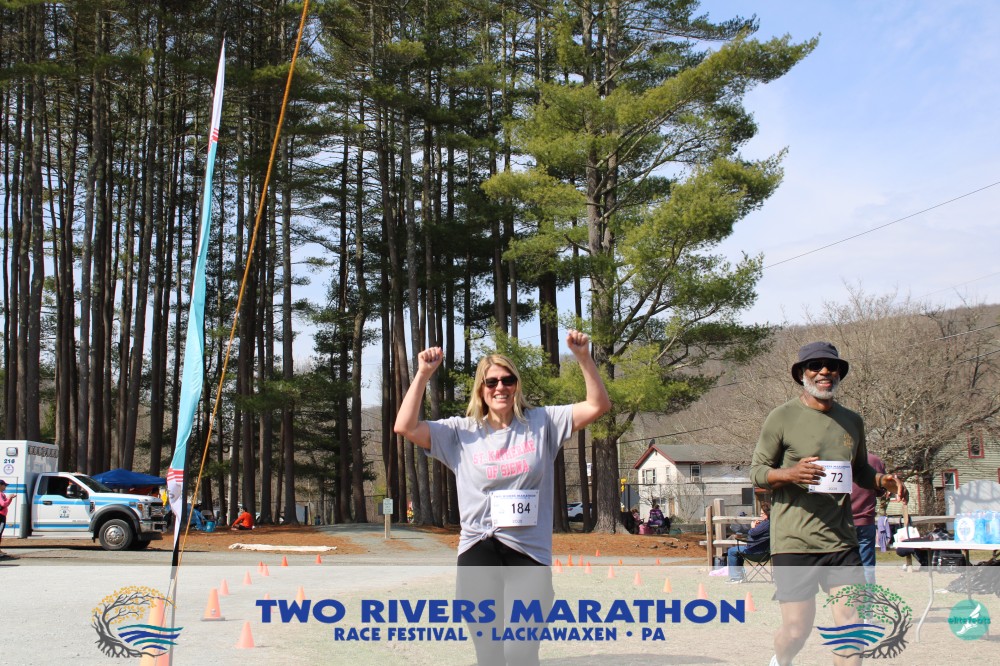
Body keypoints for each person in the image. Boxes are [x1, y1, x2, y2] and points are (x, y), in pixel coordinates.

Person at [393, 329, 610, 666]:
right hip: (479, 548)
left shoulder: (543, 422)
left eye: (508, 380)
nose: (500, 388)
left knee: (522, 651)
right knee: (490, 654)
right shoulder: (461, 432)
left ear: (516, 385)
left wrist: (583, 357)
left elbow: (598, 405)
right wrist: (422, 374)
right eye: (491, 382)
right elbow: (405, 426)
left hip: (529, 553)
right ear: (481, 388)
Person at [750, 341, 907, 666]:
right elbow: (757, 472)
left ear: (838, 374)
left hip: (842, 541)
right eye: (815, 366)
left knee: (852, 630)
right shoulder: (782, 417)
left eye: (831, 366)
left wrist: (882, 481)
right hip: (795, 542)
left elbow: (860, 470)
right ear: (802, 374)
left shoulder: (852, 421)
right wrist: (790, 473)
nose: (824, 371)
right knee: (796, 630)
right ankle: (780, 661)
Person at [851, 452, 887, 584]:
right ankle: (867, 596)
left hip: (840, 521)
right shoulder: (874, 460)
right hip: (865, 519)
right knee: (867, 566)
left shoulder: (834, 458)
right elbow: (881, 490)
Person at [726, 502, 771, 582]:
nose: (761, 515)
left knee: (731, 551)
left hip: (755, 552)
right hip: (765, 552)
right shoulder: (770, 523)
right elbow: (758, 533)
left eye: (762, 514)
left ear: (767, 513)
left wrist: (753, 526)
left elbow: (752, 533)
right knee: (737, 552)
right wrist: (757, 527)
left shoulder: (766, 524)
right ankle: (739, 577)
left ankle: (736, 577)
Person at [0, 479, 14, 555]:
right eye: (4, 485)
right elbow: (3, 504)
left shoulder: (2, 494)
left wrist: (10, 499)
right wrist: (9, 498)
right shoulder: (0, 494)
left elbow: (6, 504)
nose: (5, 487)